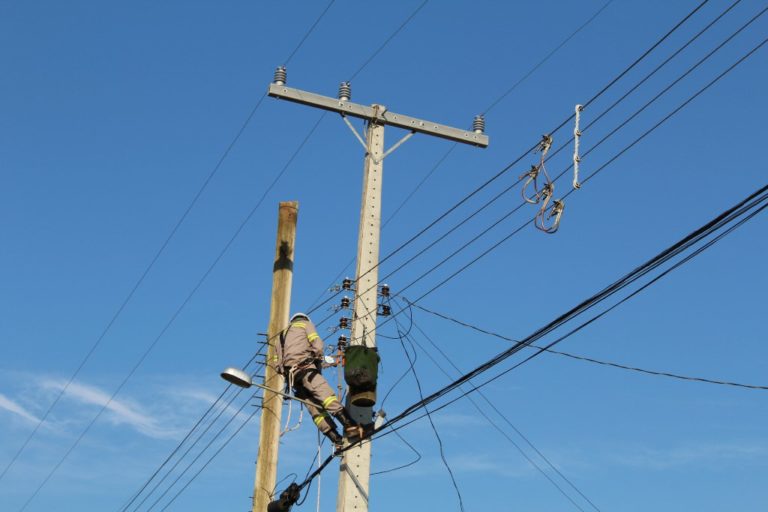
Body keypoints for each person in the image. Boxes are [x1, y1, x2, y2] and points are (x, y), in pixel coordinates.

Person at [273, 312, 361, 445]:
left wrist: (330, 361)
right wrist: (315, 357)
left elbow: (276, 364)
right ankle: (351, 426)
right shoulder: (306, 324)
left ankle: (335, 439)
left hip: (294, 381)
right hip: (307, 372)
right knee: (327, 397)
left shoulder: (280, 337)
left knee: (315, 409)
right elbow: (318, 345)